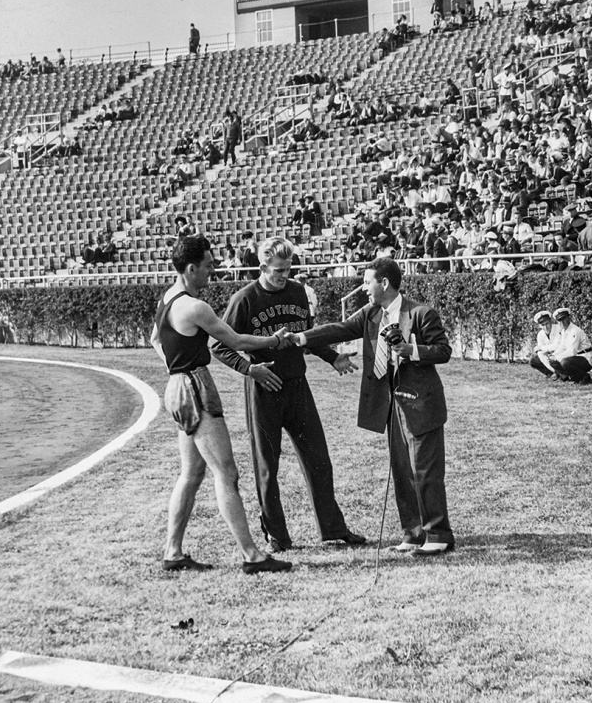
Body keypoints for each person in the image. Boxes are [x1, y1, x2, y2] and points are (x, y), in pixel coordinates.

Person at [212, 237, 367, 553]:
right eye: (278, 270)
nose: (284, 275)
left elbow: (305, 336)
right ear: (262, 267)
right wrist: (249, 369)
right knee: (267, 466)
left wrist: (331, 356)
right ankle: (277, 536)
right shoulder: (244, 300)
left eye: (288, 269)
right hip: (264, 389)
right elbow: (219, 345)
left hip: (297, 386)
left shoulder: (297, 292)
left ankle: (333, 529)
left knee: (319, 460)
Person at [150, 234, 293, 574]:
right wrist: (275, 339)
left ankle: (173, 552)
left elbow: (156, 338)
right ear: (190, 268)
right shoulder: (195, 307)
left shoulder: (167, 299)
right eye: (209, 266)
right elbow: (235, 339)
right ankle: (252, 556)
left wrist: (175, 367)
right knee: (225, 472)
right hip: (195, 387)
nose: (213, 271)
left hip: (177, 386)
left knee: (192, 472)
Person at [296, 259, 456, 555]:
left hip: (422, 404)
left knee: (425, 470)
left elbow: (444, 351)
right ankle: (413, 532)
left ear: (384, 283)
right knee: (402, 469)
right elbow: (340, 329)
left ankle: (438, 535)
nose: (364, 287)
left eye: (368, 281)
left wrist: (412, 350)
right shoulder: (371, 313)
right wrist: (303, 337)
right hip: (392, 405)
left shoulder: (420, 313)